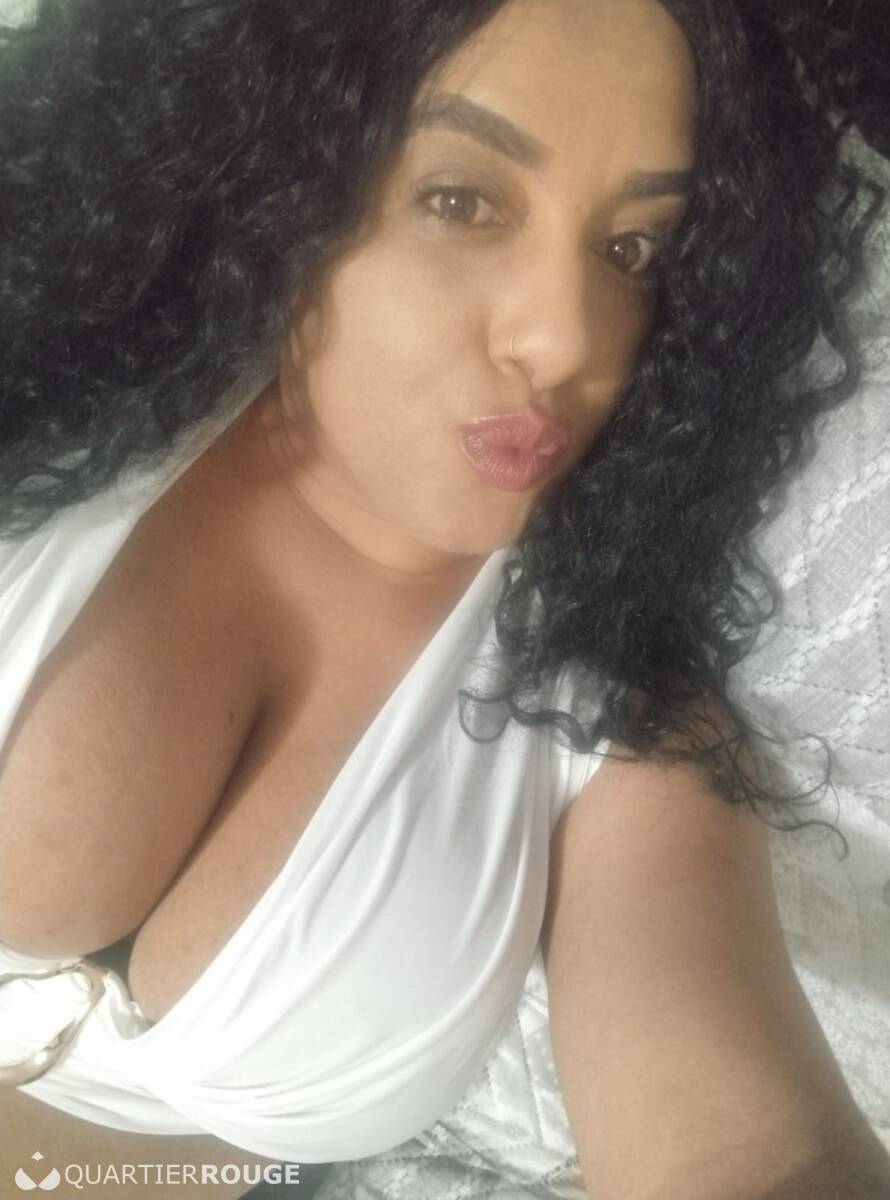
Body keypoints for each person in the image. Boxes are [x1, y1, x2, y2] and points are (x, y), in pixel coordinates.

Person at [0, 1, 888, 1198]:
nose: (562, 340)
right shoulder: (41, 408)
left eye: (633, 250)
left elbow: (747, 1151)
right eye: (462, 200)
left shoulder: (614, 735)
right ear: (280, 169)